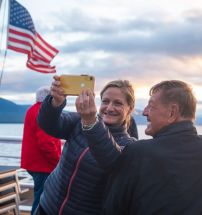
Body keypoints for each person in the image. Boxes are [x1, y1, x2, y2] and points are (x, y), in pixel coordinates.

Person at [84, 80, 202, 215]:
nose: (144, 112)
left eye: (151, 106)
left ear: (172, 113)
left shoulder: (137, 153)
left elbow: (111, 209)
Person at [34, 76, 136, 215]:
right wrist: (55, 103)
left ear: (130, 109)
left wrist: (91, 123)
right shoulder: (79, 121)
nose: (109, 108)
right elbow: (47, 124)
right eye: (105, 101)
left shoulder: (129, 145)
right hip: (47, 206)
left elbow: (111, 160)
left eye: (118, 103)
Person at [21, 86, 62, 215]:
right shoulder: (43, 112)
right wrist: (58, 161)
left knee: (40, 197)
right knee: (42, 200)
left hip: (34, 163)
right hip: (43, 165)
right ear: (49, 98)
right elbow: (46, 143)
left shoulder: (32, 109)